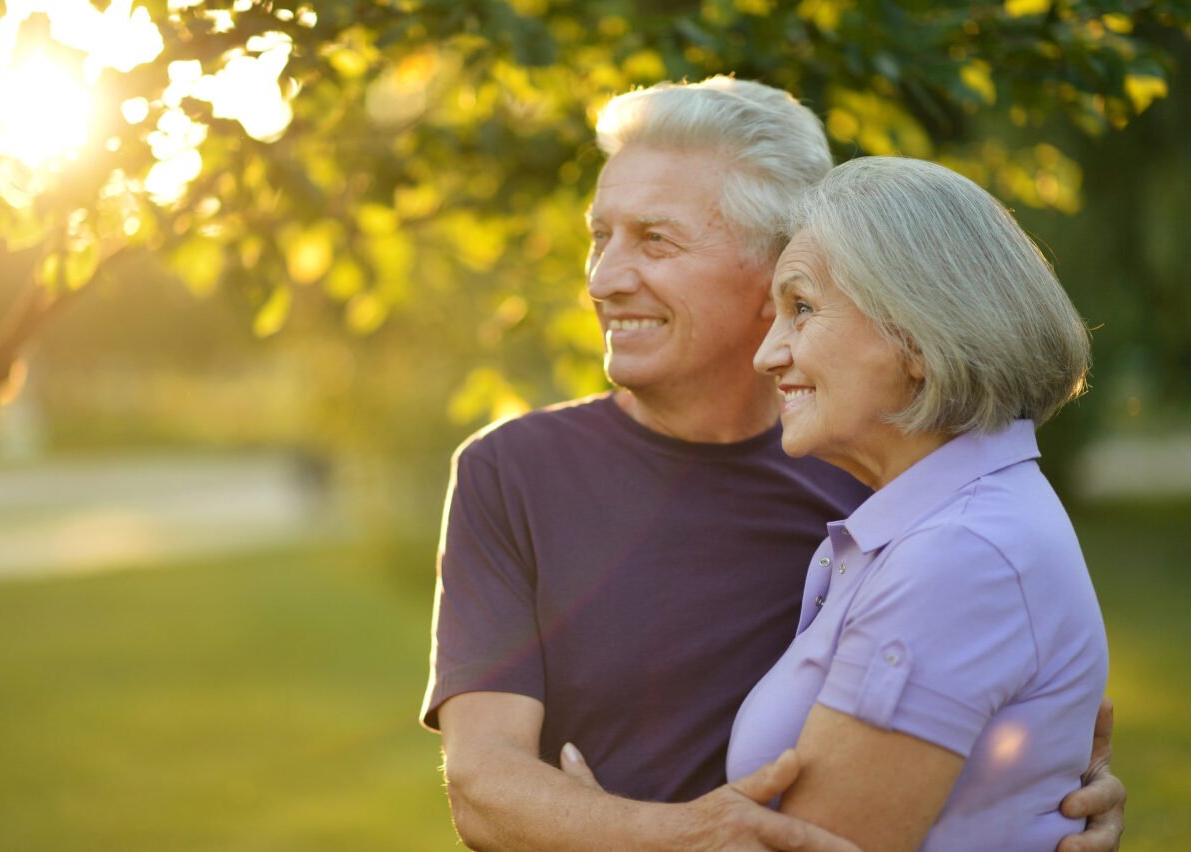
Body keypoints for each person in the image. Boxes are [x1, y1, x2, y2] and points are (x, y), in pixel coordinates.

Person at [421, 77, 1125, 850]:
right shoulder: (512, 472)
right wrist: (674, 838)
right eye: (600, 236)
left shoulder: (886, 478)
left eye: (655, 239)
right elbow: (483, 783)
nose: (603, 279)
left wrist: (1031, 792)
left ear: (777, 271)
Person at [732, 155, 1109, 850]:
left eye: (802, 309)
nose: (767, 354)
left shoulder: (959, 555)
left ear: (917, 338)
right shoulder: (940, 527)